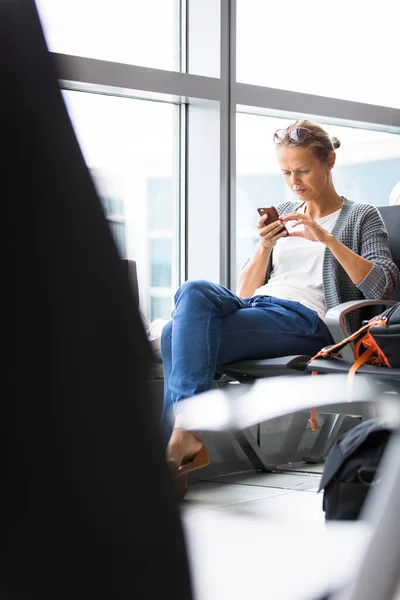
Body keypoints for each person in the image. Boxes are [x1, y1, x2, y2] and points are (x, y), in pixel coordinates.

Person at [161, 119, 400, 498]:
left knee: (174, 335)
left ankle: (172, 457)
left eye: (303, 170)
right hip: (260, 306)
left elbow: (383, 283)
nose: (294, 181)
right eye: (286, 172)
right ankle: (184, 439)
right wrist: (264, 248)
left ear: (330, 162)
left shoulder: (361, 215)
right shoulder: (287, 210)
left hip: (308, 321)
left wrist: (325, 237)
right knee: (189, 300)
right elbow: (244, 290)